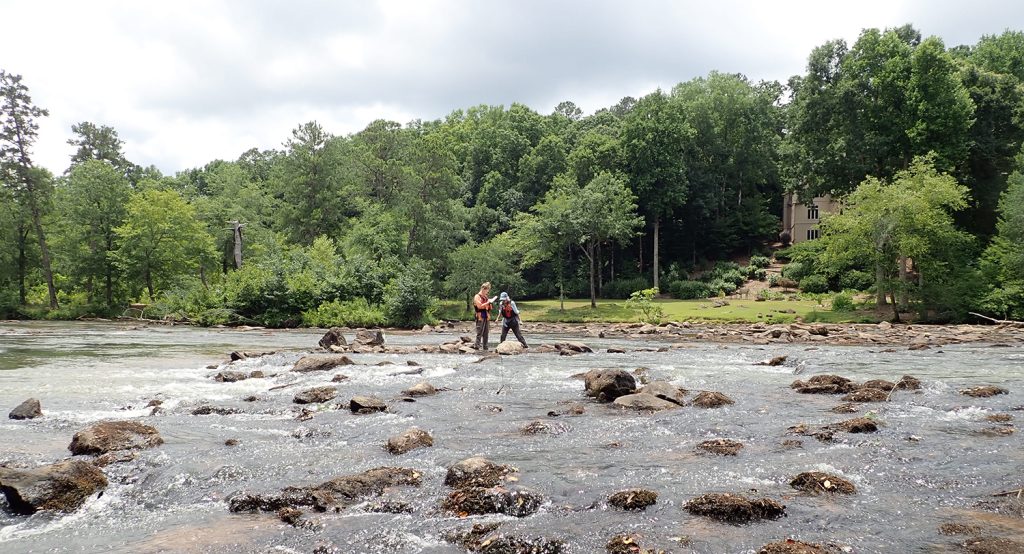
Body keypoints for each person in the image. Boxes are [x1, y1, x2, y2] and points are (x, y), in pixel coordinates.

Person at [473, 282, 497, 350]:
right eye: (487, 290)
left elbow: (490, 307)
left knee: (486, 332)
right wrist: (488, 302)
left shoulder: (485, 297)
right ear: (483, 289)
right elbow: (479, 306)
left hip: (486, 316)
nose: (487, 292)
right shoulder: (477, 296)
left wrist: (490, 303)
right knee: (479, 332)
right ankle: (477, 346)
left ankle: (485, 347)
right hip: (480, 316)